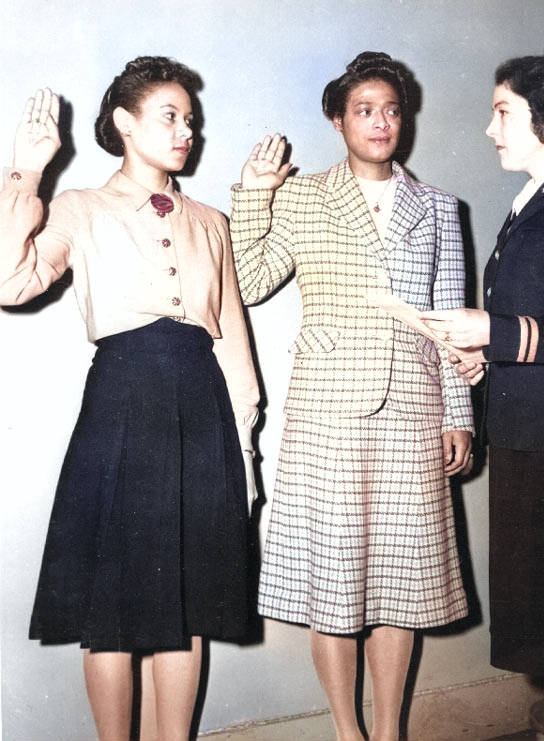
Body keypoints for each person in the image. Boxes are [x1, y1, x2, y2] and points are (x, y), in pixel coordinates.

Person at [0, 56, 259, 741]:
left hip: (201, 409)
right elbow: (10, 281)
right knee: (111, 600)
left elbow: (231, 336)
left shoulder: (211, 219)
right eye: (170, 116)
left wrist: (247, 447)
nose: (187, 132)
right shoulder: (80, 208)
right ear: (124, 122)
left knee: (184, 601)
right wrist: (26, 172)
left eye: (191, 120)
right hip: (122, 400)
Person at [230, 51, 473, 741]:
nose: (381, 122)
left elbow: (451, 314)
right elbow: (247, 280)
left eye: (392, 110)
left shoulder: (439, 208)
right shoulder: (304, 196)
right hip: (328, 412)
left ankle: (389, 731)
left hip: (415, 411)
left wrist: (459, 414)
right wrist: (253, 191)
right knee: (333, 584)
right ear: (337, 120)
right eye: (365, 110)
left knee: (403, 581)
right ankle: (347, 731)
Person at [421, 56, 544, 741]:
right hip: (531, 436)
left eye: (503, 112)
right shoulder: (540, 196)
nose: (490, 127)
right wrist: (487, 358)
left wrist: (497, 331)